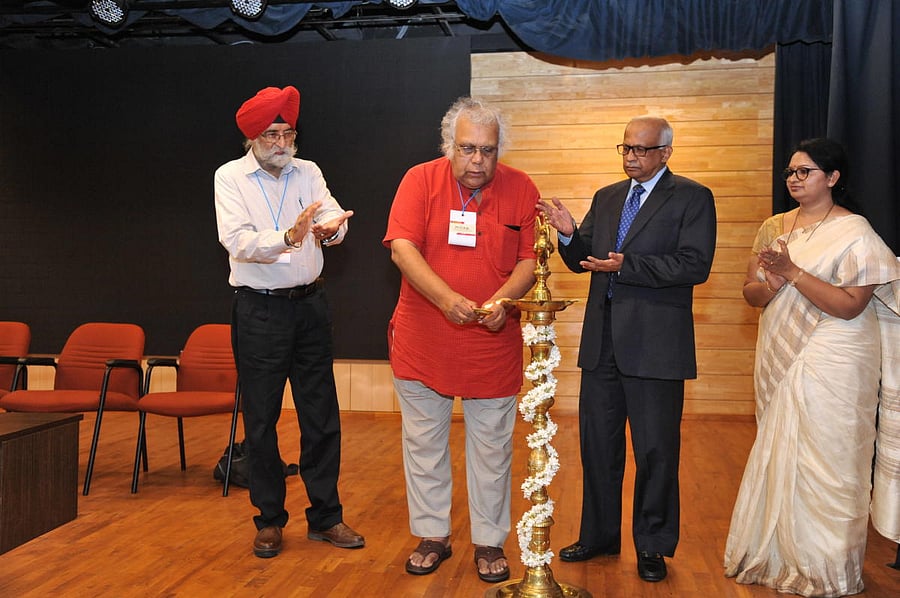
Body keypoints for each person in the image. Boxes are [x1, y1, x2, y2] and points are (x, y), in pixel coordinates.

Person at [538, 116, 717, 582]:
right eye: (625, 148)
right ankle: (598, 535)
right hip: (603, 344)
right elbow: (584, 262)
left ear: (665, 152)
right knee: (598, 447)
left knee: (656, 451)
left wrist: (628, 264)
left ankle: (652, 544)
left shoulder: (693, 197)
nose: (631, 156)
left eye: (640, 149)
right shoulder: (608, 196)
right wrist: (566, 233)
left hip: (657, 347)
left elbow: (695, 264)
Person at [724, 138, 900, 596]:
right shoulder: (774, 227)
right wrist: (772, 283)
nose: (795, 180)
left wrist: (795, 273)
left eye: (805, 172)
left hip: (837, 356)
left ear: (833, 178)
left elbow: (848, 306)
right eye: (790, 173)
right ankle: (777, 556)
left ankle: (828, 568)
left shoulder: (856, 231)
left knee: (832, 459)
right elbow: (750, 293)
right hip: (781, 352)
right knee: (784, 451)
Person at [383, 97, 539, 583]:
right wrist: (445, 298)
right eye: (467, 148)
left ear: (499, 151)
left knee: (492, 451)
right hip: (422, 338)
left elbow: (530, 262)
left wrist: (503, 302)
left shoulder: (522, 188)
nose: (477, 161)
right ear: (448, 145)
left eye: (488, 151)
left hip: (492, 343)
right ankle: (432, 535)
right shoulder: (419, 180)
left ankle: (490, 542)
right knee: (423, 445)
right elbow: (402, 248)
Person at [214, 85, 362, 559]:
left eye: (288, 133)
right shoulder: (230, 177)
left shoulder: (309, 171)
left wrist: (333, 228)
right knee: (261, 420)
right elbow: (237, 241)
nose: (282, 143)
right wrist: (289, 236)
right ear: (252, 138)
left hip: (310, 306)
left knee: (321, 415)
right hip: (259, 309)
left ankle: (326, 518)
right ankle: (269, 520)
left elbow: (335, 214)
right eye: (272, 134)